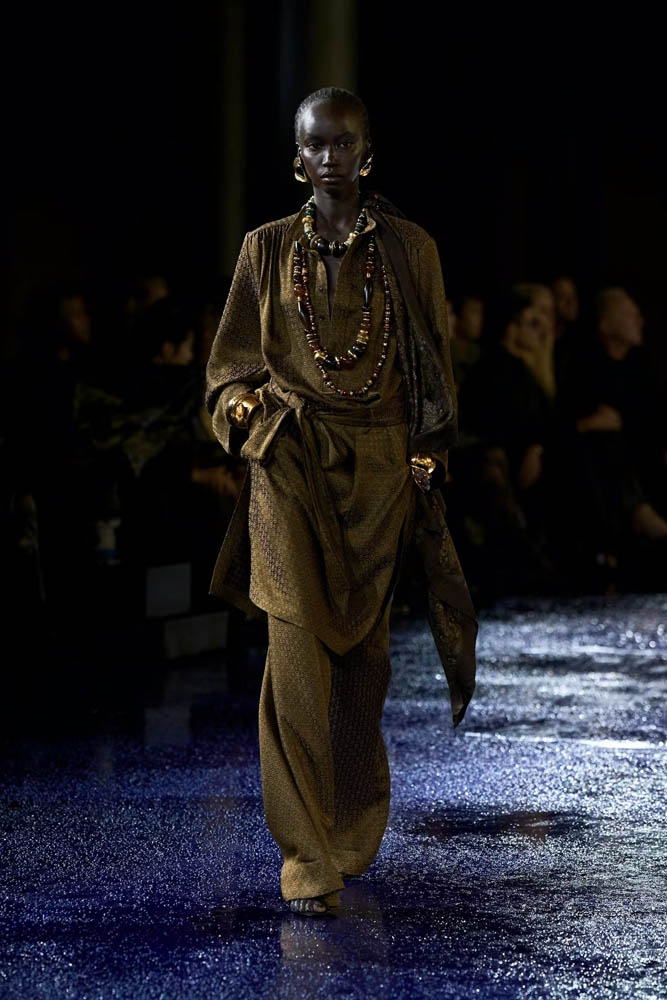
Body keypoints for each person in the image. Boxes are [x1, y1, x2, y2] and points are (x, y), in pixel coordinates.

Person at [205, 87, 477, 917]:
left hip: (380, 467)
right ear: (297, 159)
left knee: (364, 660)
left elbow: (432, 362)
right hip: (290, 462)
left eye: (343, 142)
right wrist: (238, 407)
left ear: (367, 153)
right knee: (292, 652)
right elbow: (228, 366)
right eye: (314, 145)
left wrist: (429, 450)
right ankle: (305, 855)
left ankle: (351, 829)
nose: (329, 157)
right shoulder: (264, 249)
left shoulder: (411, 249)